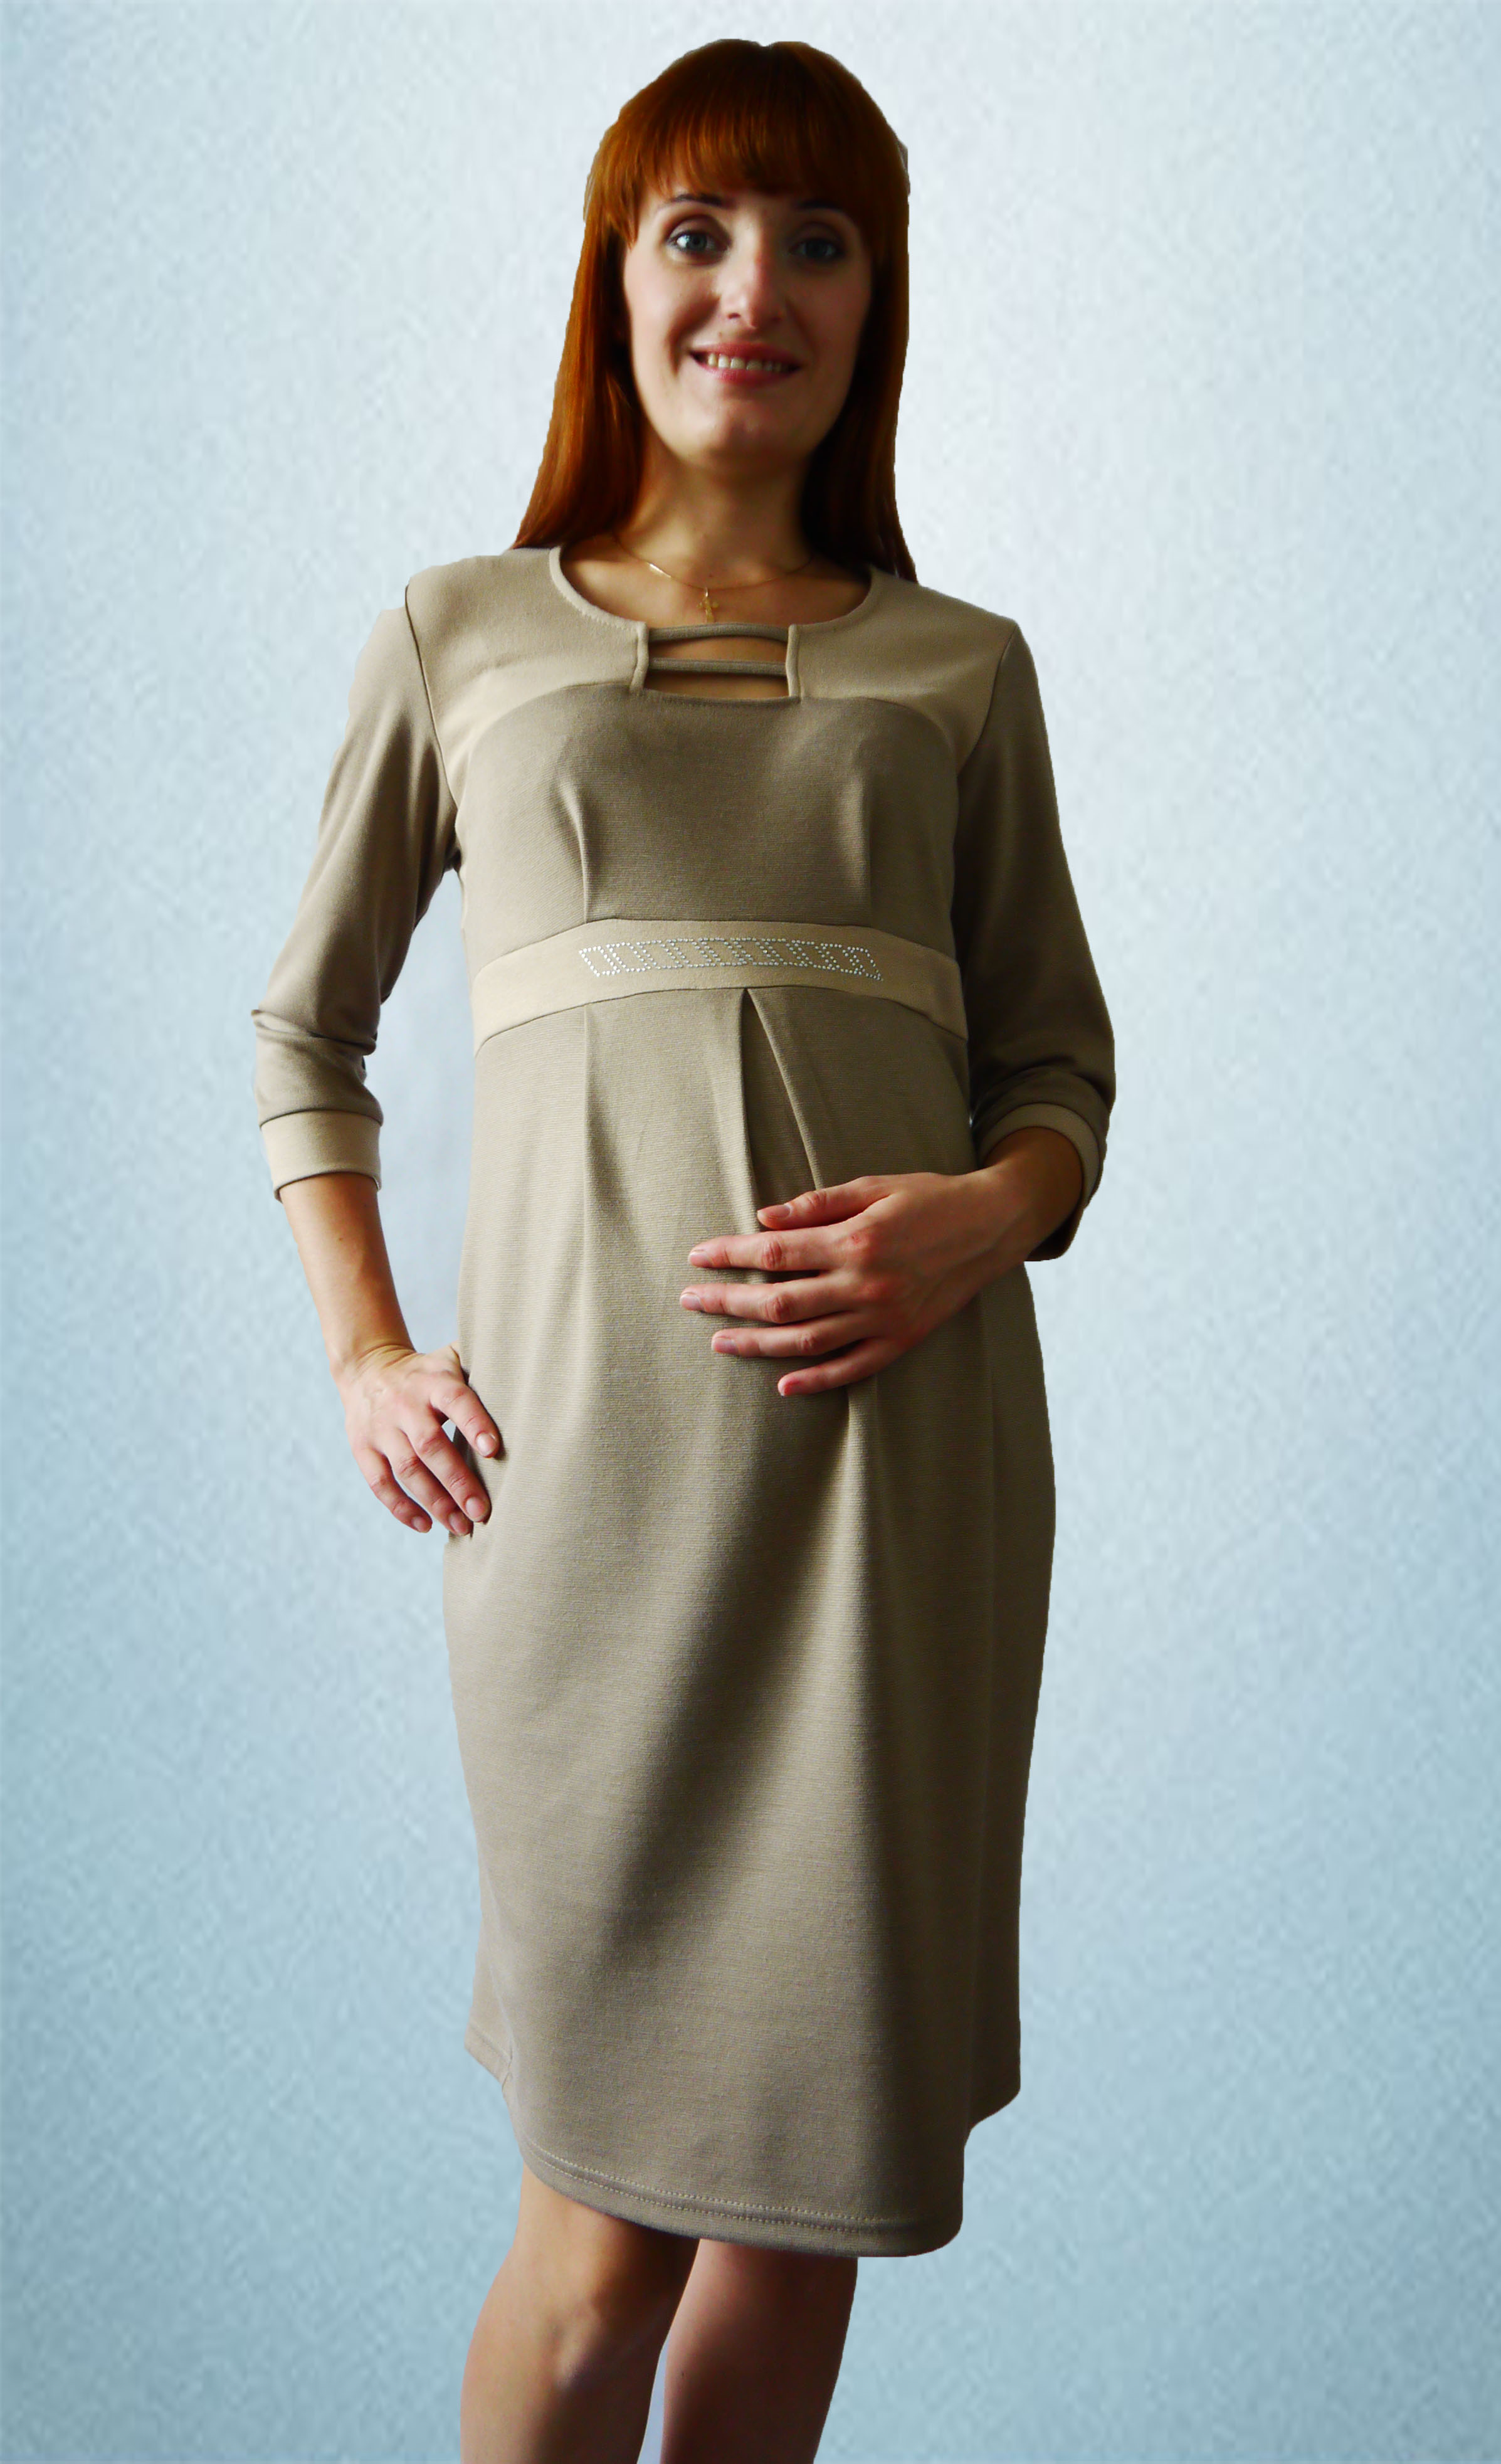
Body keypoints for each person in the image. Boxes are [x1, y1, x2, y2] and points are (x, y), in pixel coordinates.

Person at [251, 36, 1115, 2464]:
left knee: (801, 2207)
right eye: (700, 234)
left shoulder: (959, 667)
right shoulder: (455, 635)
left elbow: (1058, 1073)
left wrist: (975, 1218)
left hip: (895, 1489)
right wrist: (366, 1353)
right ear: (613, 281)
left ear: (875, 300)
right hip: (589, 1496)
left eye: (818, 241)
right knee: (599, 2233)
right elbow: (305, 1031)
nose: (757, 290)